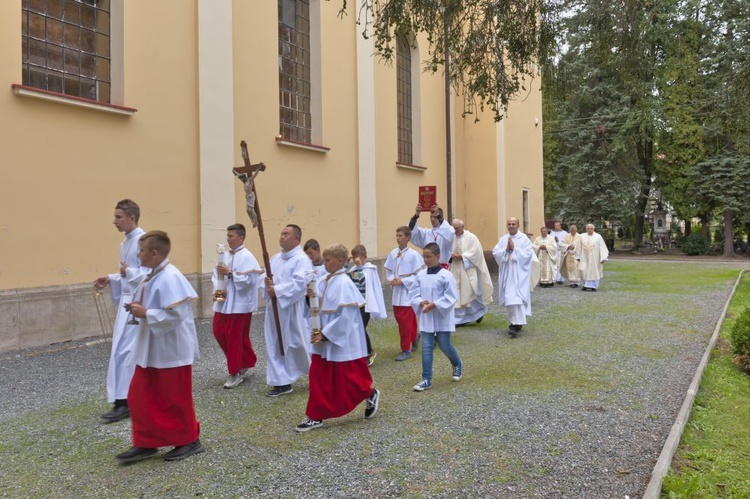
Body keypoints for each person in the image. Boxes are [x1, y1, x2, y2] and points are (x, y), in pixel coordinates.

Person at [115, 230, 203, 463]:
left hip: (170, 350)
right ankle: (147, 441)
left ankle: (190, 440)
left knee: (175, 398)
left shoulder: (171, 277)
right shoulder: (152, 274)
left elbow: (176, 315)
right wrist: (138, 308)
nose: (138, 254)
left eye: (142, 251)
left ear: (154, 253)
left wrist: (146, 313)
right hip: (151, 347)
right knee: (139, 395)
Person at [295, 244, 380, 432]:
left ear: (340, 261)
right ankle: (315, 415)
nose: (324, 263)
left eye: (328, 260)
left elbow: (347, 317)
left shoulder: (344, 283)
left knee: (349, 379)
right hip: (323, 338)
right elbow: (317, 304)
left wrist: (326, 334)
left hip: (340, 340)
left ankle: (370, 393)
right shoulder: (324, 279)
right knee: (318, 375)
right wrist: (310, 297)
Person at [93, 199, 148, 424]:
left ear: (131, 218)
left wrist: (128, 272)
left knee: (126, 352)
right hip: (127, 301)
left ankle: (126, 401)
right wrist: (112, 278)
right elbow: (128, 274)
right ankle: (120, 399)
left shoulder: (143, 241)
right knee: (119, 350)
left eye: (118, 217)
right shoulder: (124, 243)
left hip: (137, 303)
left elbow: (148, 273)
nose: (114, 221)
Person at [211, 224, 263, 389]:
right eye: (227, 236)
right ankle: (246, 360)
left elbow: (251, 281)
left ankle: (234, 373)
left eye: (231, 236)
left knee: (234, 338)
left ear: (241, 237)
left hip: (240, 304)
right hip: (224, 301)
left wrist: (231, 274)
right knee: (218, 331)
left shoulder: (247, 256)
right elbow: (216, 275)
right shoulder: (224, 255)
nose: (228, 239)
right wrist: (217, 290)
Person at [263, 224, 313, 396]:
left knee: (297, 343)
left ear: (297, 239)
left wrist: (276, 290)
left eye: (286, 234)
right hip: (275, 308)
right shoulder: (275, 259)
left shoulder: (301, 259)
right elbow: (266, 278)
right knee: (275, 343)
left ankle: (316, 373)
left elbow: (300, 284)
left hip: (292, 309)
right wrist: (268, 285)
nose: (282, 236)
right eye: (281, 233)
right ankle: (282, 382)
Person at [410, 243, 463, 392]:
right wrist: (420, 302)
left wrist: (435, 304)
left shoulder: (446, 275)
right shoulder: (420, 275)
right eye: (424, 256)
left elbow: (451, 296)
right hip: (427, 315)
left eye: (429, 256)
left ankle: (457, 363)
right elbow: (413, 294)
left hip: (441, 315)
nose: (426, 260)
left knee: (444, 344)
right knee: (426, 347)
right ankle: (426, 379)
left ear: (438, 256)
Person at [492, 217, 539, 338]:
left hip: (519, 275)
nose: (511, 225)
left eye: (513, 224)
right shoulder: (503, 239)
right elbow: (496, 252)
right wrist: (506, 250)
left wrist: (514, 249)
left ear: (518, 225)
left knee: (517, 298)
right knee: (509, 298)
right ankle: (514, 322)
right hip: (508, 274)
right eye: (509, 224)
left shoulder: (524, 239)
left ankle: (515, 324)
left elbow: (528, 254)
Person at [384, 226, 425, 361]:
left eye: (401, 236)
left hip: (408, 293)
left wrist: (403, 281)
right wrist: (392, 280)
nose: (398, 238)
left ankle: (405, 349)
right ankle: (414, 336)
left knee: (405, 323)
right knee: (400, 318)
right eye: (397, 236)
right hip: (397, 293)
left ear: (408, 237)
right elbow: (389, 271)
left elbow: (419, 275)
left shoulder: (414, 255)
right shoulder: (393, 253)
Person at [348, 245, 387, 366]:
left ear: (365, 257)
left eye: (358, 257)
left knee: (360, 328)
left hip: (365, 305)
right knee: (356, 329)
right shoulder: (353, 269)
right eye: (354, 257)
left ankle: (369, 352)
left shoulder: (370, 269)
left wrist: (359, 267)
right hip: (355, 305)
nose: (356, 259)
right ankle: (361, 353)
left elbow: (362, 279)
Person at [450, 219, 493, 326]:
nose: (455, 230)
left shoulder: (471, 237)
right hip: (454, 268)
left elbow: (476, 252)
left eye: (457, 228)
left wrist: (463, 256)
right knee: (456, 292)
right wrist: (450, 255)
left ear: (462, 226)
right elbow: (445, 249)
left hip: (467, 269)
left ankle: (478, 313)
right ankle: (459, 319)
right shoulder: (451, 237)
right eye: (453, 228)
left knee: (471, 292)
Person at [576, 223, 610, 291]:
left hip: (595, 258)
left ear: (593, 229)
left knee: (594, 271)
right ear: (586, 229)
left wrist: (603, 258)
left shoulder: (598, 237)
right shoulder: (582, 236)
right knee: (584, 270)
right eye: (588, 228)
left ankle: (594, 286)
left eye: (591, 228)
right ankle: (585, 285)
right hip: (584, 257)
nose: (590, 230)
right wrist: (578, 256)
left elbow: (602, 247)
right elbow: (579, 247)